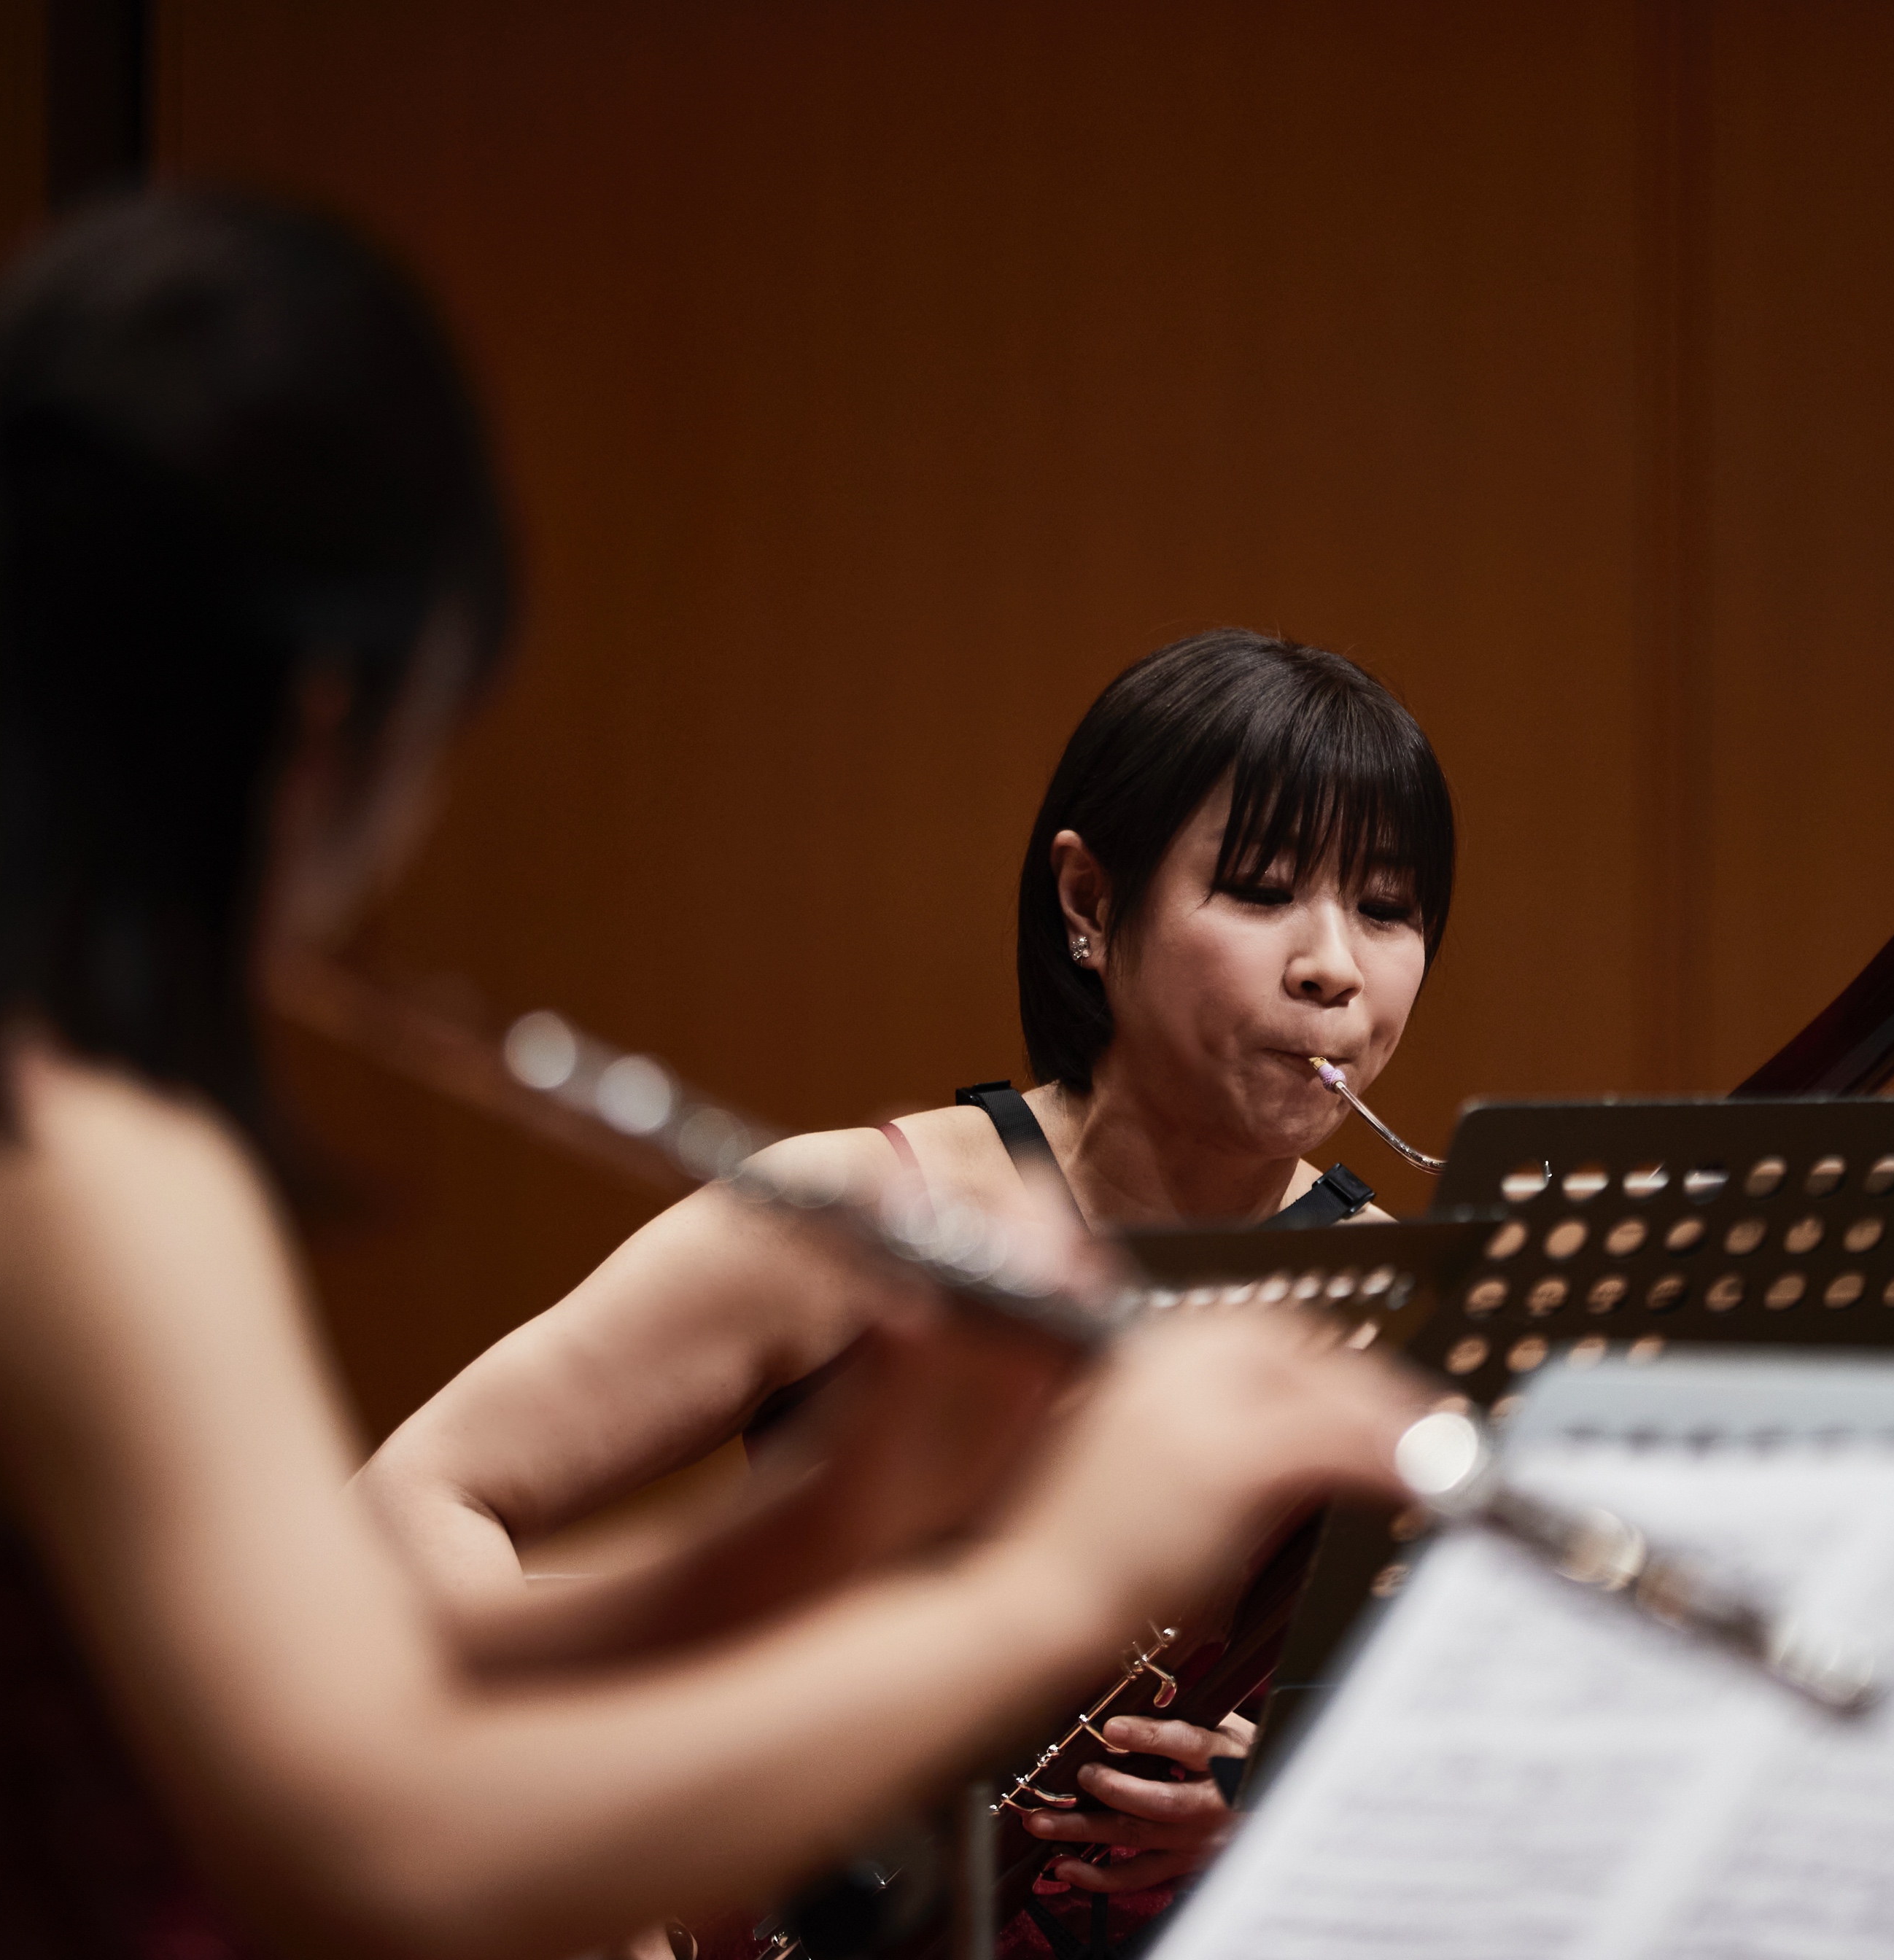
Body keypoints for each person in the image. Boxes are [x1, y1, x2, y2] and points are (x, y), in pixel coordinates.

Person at [0, 193, 1419, 1959]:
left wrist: (811, 1538)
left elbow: (348, 1670)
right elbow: (389, 1850)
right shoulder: (68, 1175)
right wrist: (1061, 1584)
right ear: (322, 708)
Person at [356, 633, 1458, 1917]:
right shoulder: (863, 1213)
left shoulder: (1405, 1316)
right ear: (1091, 903)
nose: (1334, 965)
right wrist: (588, 1888)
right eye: (1261, 889)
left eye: (1386, 909)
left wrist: (1278, 1796)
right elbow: (417, 1495)